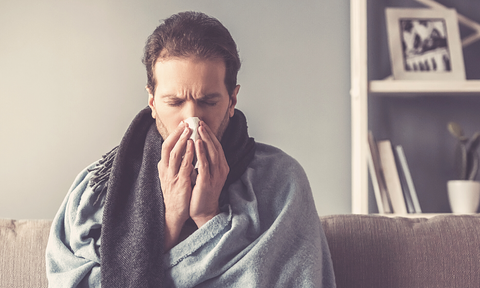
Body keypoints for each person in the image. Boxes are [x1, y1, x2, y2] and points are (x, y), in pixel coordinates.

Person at [46, 11, 336, 288]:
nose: (192, 120)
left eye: (209, 102)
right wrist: (169, 221)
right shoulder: (96, 190)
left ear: (232, 99)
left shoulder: (282, 182)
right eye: (174, 102)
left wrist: (208, 217)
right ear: (152, 100)